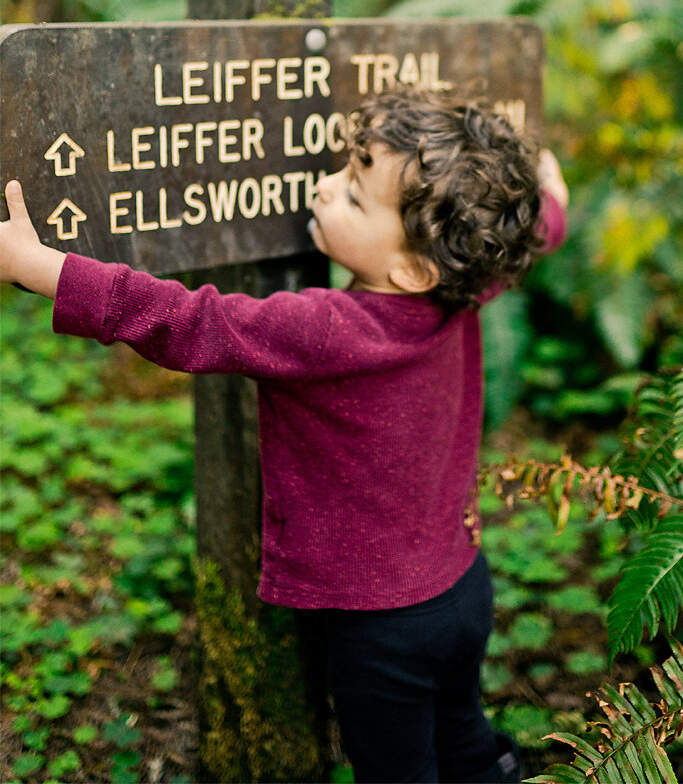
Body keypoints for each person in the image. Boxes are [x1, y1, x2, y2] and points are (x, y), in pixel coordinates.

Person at [0, 89, 567, 783]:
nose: (324, 187)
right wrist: (550, 198)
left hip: (380, 628)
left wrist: (38, 266)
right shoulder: (463, 286)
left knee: (397, 768)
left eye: (355, 197)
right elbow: (523, 242)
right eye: (343, 172)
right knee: (463, 733)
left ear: (414, 268)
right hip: (464, 586)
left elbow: (187, 320)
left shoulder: (327, 330)